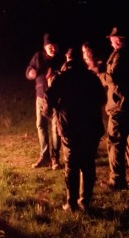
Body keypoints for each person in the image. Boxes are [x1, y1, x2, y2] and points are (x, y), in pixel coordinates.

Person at [44, 46, 107, 212]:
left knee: (72, 164)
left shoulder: (62, 78)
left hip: (69, 127)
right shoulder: (91, 78)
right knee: (87, 164)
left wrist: (51, 113)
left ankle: (71, 203)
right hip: (90, 127)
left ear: (67, 59)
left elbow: (48, 97)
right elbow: (102, 98)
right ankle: (85, 201)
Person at [100, 26, 129, 190]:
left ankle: (117, 180)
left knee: (115, 143)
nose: (111, 43)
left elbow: (113, 78)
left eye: (112, 40)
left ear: (118, 40)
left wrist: (99, 75)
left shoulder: (120, 55)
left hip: (120, 106)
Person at [26, 33, 65, 170]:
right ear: (45, 47)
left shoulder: (61, 59)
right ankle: (44, 157)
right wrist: (31, 73)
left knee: (55, 128)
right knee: (41, 125)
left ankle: (55, 158)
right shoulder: (38, 57)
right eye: (49, 46)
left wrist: (56, 75)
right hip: (41, 97)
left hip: (56, 99)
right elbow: (28, 70)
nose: (52, 49)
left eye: (54, 46)